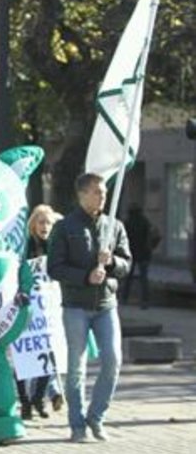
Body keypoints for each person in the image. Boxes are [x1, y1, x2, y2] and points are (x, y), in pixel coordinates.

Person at [47, 173, 132, 443]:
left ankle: (96, 417)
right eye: (97, 192)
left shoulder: (114, 226)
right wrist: (85, 276)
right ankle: (77, 424)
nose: (103, 197)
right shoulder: (65, 227)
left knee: (113, 360)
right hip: (75, 306)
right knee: (76, 368)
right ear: (82, 195)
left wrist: (111, 264)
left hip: (106, 304)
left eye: (105, 192)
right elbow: (54, 268)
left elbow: (127, 264)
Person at [17, 204, 62, 420]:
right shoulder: (23, 246)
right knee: (23, 355)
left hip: (48, 308)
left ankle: (38, 396)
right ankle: (25, 402)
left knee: (49, 353)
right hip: (26, 305)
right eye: (41, 222)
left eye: (49, 223)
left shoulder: (56, 247)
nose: (45, 226)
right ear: (33, 224)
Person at [122, 205, 160, 309]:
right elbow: (153, 235)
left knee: (128, 278)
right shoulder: (145, 221)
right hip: (144, 254)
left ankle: (124, 299)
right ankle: (145, 301)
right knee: (144, 278)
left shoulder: (127, 222)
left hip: (131, 253)